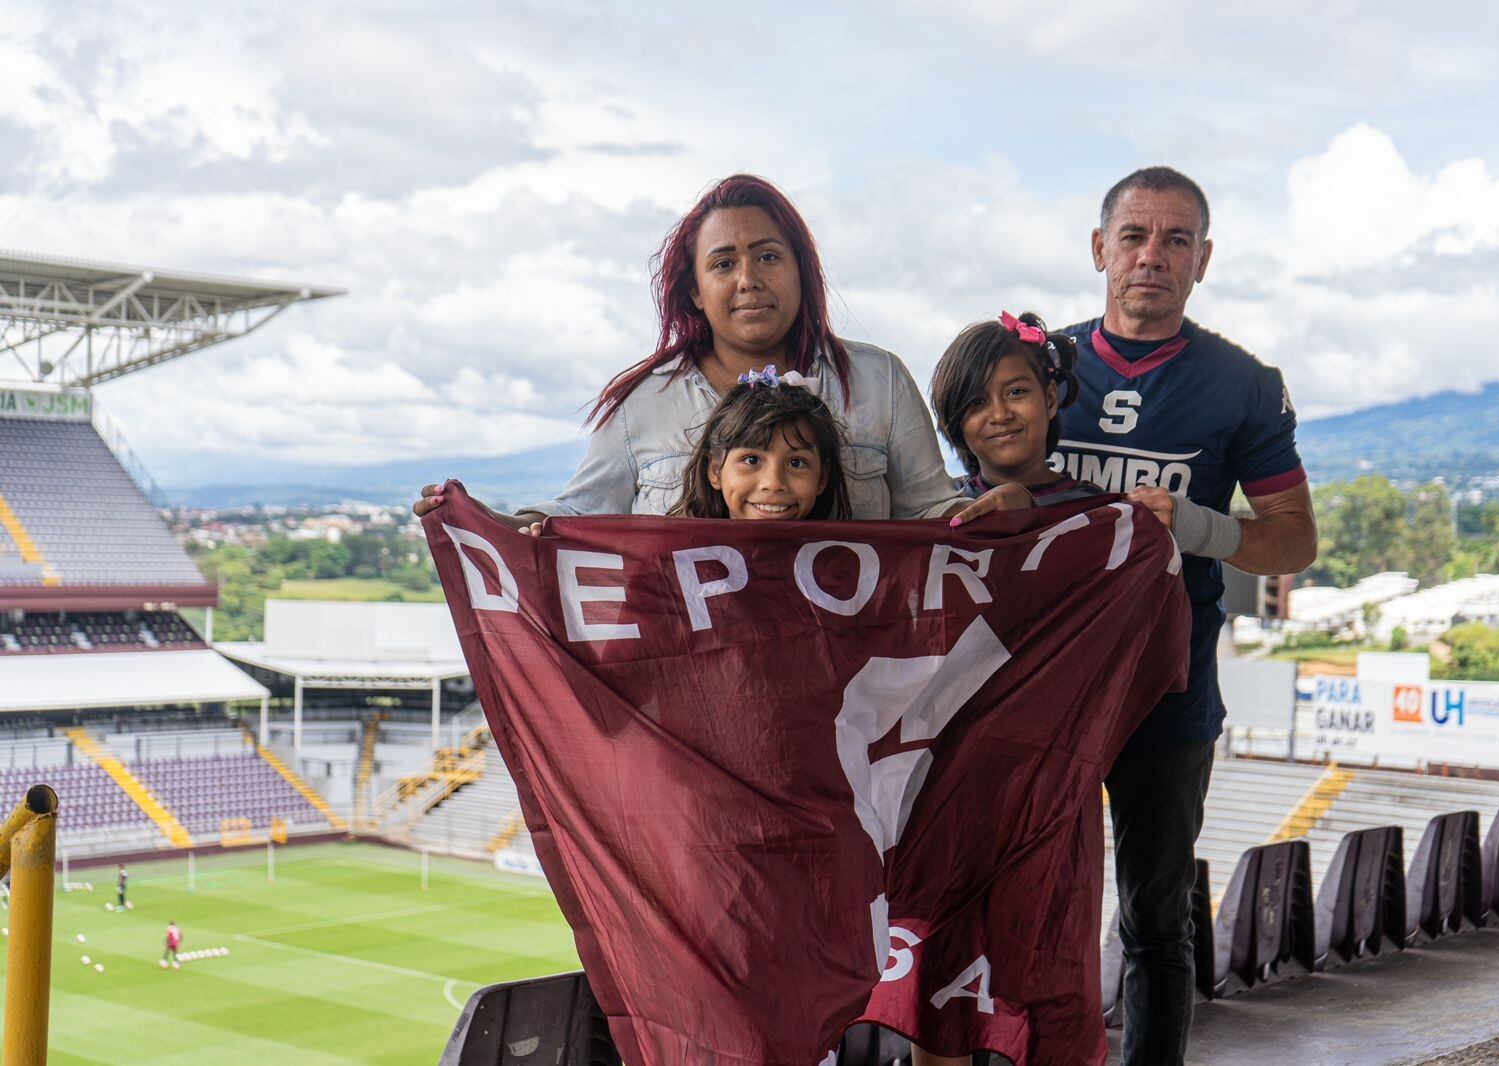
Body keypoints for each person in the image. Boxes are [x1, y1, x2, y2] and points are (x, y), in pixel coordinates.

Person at [1054, 167, 1317, 1065]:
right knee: (1018, 901)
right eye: (1134, 237)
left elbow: (1293, 543)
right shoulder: (1035, 366)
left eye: (1175, 241)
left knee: (1154, 921)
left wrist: (1196, 524)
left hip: (1167, 692)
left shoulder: (1241, 384)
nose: (1151, 257)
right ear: (1099, 249)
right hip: (1039, 690)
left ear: (1203, 261)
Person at [918, 312, 1215, 1066]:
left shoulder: (1107, 524)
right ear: (955, 423)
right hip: (946, 796)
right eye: (976, 403)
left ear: (1053, 397)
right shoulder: (928, 518)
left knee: (1049, 980)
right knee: (937, 992)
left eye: (1016, 390)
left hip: (1052, 800)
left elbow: (1150, 649)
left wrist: (1032, 533)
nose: (1000, 413)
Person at [414, 174, 1026, 529]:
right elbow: (573, 520)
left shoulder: (878, 380)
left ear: (801, 271)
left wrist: (1003, 511)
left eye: (767, 256)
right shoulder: (643, 404)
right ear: (695, 290)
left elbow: (934, 517)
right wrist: (480, 527)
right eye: (723, 263)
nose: (747, 280)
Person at [668, 367, 849, 521]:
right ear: (716, 470)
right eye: (752, 460)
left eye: (796, 463)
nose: (773, 483)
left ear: (822, 478)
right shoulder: (680, 556)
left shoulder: (841, 558)